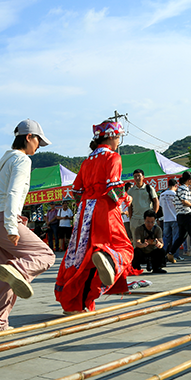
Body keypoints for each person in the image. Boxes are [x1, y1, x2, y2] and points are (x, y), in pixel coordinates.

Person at [0, 119, 56, 334]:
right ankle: (17, 270)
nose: (39, 147)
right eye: (38, 141)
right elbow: (13, 192)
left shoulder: (5, 160)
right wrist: (12, 226)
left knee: (0, 280)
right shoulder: (22, 160)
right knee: (45, 255)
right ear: (28, 137)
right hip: (2, 220)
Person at [55, 121, 134, 314]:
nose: (118, 141)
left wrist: (87, 204)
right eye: (118, 137)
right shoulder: (113, 157)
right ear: (112, 136)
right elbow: (112, 189)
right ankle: (109, 259)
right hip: (104, 209)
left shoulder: (87, 161)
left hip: (84, 212)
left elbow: (76, 191)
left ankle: (76, 304)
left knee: (81, 257)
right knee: (123, 247)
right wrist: (124, 199)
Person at [127, 169, 159, 235]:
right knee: (136, 240)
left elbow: (156, 201)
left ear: (143, 177)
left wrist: (153, 215)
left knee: (148, 239)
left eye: (139, 176)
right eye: (135, 176)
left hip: (147, 219)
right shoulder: (131, 191)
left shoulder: (149, 188)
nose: (137, 178)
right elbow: (130, 206)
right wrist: (131, 219)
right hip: (135, 219)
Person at [159, 178, 181, 261]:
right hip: (175, 218)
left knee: (165, 238)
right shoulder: (175, 194)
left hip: (166, 218)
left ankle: (163, 254)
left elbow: (161, 205)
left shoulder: (162, 195)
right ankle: (175, 255)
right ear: (176, 185)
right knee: (176, 238)